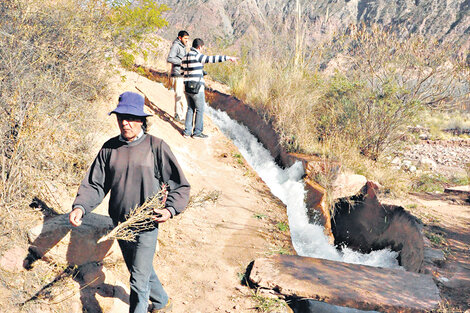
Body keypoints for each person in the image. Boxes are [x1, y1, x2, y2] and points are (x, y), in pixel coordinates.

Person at [69, 91, 190, 313]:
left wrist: (170, 209)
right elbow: (96, 184)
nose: (125, 122)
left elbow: (180, 185)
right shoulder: (110, 148)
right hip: (120, 224)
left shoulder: (156, 147)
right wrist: (81, 206)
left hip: (146, 225)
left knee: (138, 282)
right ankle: (163, 302)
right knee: (139, 269)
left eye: (131, 118)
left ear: (142, 120)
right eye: (121, 117)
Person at [181, 38, 237, 138]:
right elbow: (212, 59)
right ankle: (197, 133)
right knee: (200, 109)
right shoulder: (198, 56)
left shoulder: (185, 57)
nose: (202, 49)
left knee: (190, 108)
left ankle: (187, 132)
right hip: (197, 88)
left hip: (186, 86)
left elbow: (182, 71)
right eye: (202, 47)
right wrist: (228, 58)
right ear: (199, 47)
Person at [167, 30, 189, 123]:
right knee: (179, 95)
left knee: (181, 96)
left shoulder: (182, 46)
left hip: (181, 74)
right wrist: (181, 62)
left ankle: (181, 116)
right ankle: (178, 116)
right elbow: (170, 58)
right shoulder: (176, 45)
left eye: (188, 38)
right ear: (180, 38)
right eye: (185, 38)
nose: (187, 40)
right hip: (177, 74)